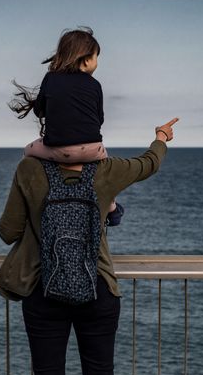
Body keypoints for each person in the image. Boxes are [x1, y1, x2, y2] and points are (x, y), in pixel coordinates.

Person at [0, 115, 180, 375]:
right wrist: (160, 137)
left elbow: (7, 231)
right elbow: (150, 163)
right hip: (97, 290)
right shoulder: (107, 171)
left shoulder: (29, 169)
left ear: (48, 134)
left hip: (43, 290)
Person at [9, 26, 125, 225]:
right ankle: (112, 208)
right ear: (87, 59)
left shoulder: (51, 79)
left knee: (27, 152)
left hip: (58, 151)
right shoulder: (95, 85)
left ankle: (27, 201)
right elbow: (100, 119)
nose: (97, 62)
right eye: (97, 57)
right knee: (105, 171)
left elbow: (39, 111)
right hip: (92, 151)